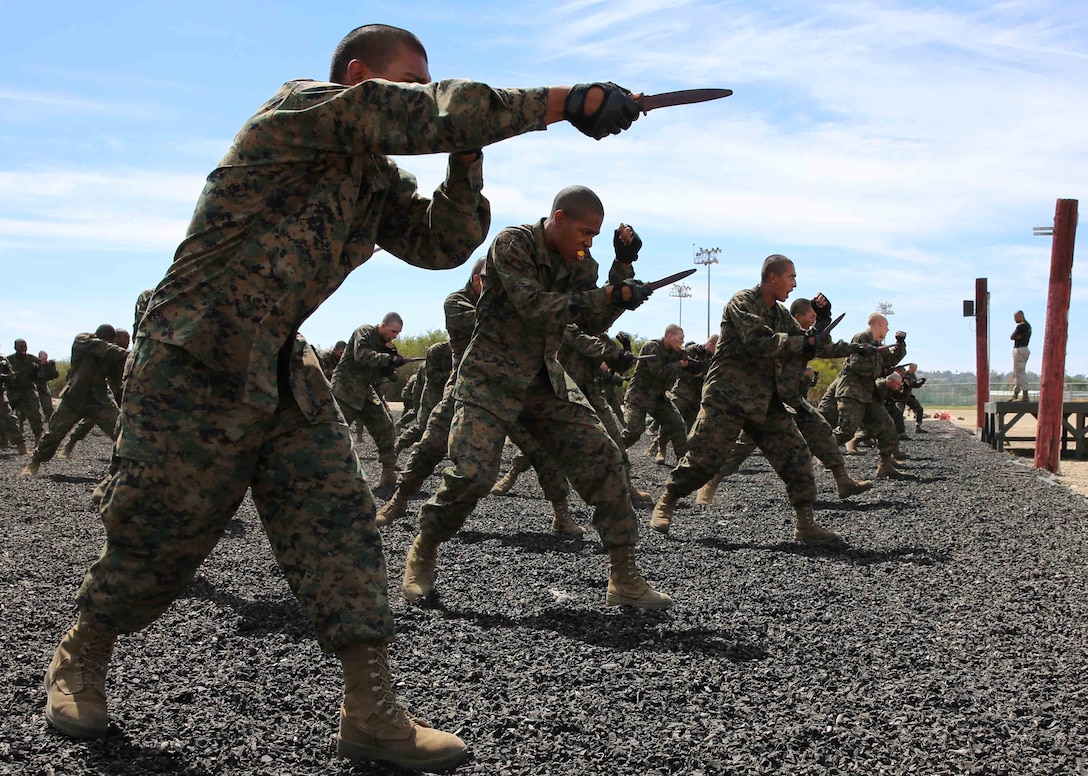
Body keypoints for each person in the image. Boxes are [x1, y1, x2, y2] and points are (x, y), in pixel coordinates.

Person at [38, 23, 646, 773]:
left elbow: (441, 245)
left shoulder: (374, 180)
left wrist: (466, 161)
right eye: (406, 83)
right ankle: (81, 656)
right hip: (193, 353)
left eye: (427, 86)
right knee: (159, 531)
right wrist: (569, 100)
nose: (420, 96)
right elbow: (435, 112)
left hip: (280, 362)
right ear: (359, 76)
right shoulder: (301, 112)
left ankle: (372, 713)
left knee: (341, 522)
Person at [401, 187, 671, 610]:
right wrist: (608, 293)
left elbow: (590, 316)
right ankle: (423, 549)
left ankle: (624, 576)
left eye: (597, 236)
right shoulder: (514, 243)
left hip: (541, 382)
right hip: (488, 379)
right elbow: (535, 305)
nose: (589, 242)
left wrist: (623, 274)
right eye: (585, 232)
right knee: (472, 475)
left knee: (604, 456)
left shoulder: (582, 263)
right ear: (558, 218)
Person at [651, 255, 868, 543]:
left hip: (765, 402)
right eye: (791, 277)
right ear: (772, 278)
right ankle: (667, 499)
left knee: (796, 455)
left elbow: (807, 346)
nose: (794, 284)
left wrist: (825, 324)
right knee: (703, 459)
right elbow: (760, 342)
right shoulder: (742, 302)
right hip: (726, 398)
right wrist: (806, 340)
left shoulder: (780, 315)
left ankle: (805, 525)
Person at [696, 295, 873, 504]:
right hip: (767, 401)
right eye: (812, 316)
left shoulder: (804, 336)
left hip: (792, 399)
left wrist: (857, 348)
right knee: (742, 446)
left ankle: (843, 481)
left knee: (821, 430)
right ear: (797, 316)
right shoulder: (782, 333)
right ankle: (710, 484)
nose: (813, 321)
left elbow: (824, 347)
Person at [21, 326, 128, 475]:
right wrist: (132, 353)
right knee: (54, 433)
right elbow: (103, 347)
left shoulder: (112, 355)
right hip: (74, 398)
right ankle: (34, 462)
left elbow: (117, 377)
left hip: (99, 400)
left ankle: (123, 470)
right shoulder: (83, 340)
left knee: (121, 431)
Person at [820, 313, 907, 479]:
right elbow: (857, 364)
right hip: (852, 392)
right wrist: (881, 371)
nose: (888, 329)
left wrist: (900, 344)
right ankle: (817, 451)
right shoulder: (862, 338)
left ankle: (885, 465)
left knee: (887, 426)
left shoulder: (877, 345)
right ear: (880, 323)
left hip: (867, 393)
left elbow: (890, 360)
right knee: (846, 431)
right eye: (886, 326)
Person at [331, 313, 406, 487]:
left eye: (398, 333)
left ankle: (388, 473)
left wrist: (393, 365)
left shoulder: (386, 345)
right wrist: (388, 358)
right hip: (345, 388)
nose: (395, 336)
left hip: (365, 390)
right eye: (393, 331)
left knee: (385, 426)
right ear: (383, 325)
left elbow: (382, 370)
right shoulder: (364, 332)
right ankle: (323, 475)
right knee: (335, 432)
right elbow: (362, 355)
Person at [620, 324, 690, 464]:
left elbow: (684, 370)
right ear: (669, 336)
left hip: (658, 398)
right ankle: (611, 452)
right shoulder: (652, 347)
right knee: (634, 431)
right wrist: (680, 364)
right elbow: (658, 372)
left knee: (677, 424)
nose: (682, 342)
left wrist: (689, 361)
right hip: (639, 396)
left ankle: (684, 462)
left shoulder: (676, 353)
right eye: (680, 338)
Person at [60, 329, 131, 460]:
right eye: (125, 338)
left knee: (118, 426)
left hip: (113, 394)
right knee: (88, 421)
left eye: (129, 339)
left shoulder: (121, 356)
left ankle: (122, 458)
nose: (128, 341)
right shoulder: (98, 346)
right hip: (94, 394)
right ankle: (69, 445)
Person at [7, 339, 44, 443]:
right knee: (5, 414)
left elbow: (41, 377)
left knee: (35, 414)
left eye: (25, 346)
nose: (23, 349)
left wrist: (36, 370)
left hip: (28, 390)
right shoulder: (8, 360)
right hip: (13, 391)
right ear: (15, 348)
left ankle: (38, 437)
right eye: (21, 347)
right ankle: (5, 438)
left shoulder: (33, 360)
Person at [1011, 311, 1032, 401]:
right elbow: (1015, 337)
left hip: (1020, 349)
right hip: (1024, 349)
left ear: (1021, 316)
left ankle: (1025, 394)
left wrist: (1017, 336)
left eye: (1016, 317)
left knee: (1019, 372)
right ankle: (1016, 393)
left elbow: (1012, 336)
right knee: (1016, 373)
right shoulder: (1028, 326)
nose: (1014, 319)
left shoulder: (1022, 326)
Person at [35, 351, 60, 422]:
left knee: (47, 404)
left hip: (43, 386)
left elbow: (55, 375)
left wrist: (52, 368)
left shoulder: (48, 365)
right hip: (33, 387)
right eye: (43, 358)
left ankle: (49, 418)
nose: (44, 360)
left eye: (45, 358)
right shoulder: (35, 365)